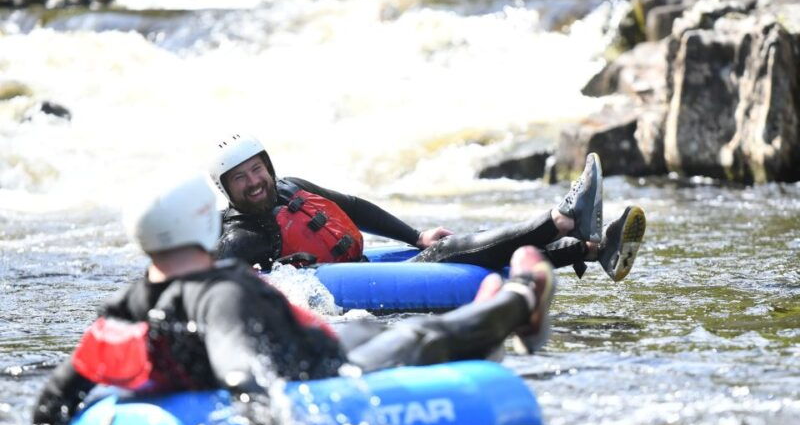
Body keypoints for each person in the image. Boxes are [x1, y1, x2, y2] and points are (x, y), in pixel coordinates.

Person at [31, 175, 555, 425]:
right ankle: (520, 294)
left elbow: (55, 398)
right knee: (420, 338)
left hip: (321, 341)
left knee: (380, 335)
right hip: (322, 364)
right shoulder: (222, 292)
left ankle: (500, 308)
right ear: (203, 225)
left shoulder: (127, 301)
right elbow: (244, 373)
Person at [209, 134, 646, 282]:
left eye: (257, 169)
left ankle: (590, 250)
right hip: (354, 303)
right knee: (445, 257)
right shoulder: (240, 239)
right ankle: (564, 220)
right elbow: (217, 285)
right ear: (227, 189)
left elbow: (355, 208)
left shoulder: (290, 189)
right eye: (240, 178)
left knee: (444, 249)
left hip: (364, 270)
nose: (254, 182)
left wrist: (414, 237)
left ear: (268, 165)